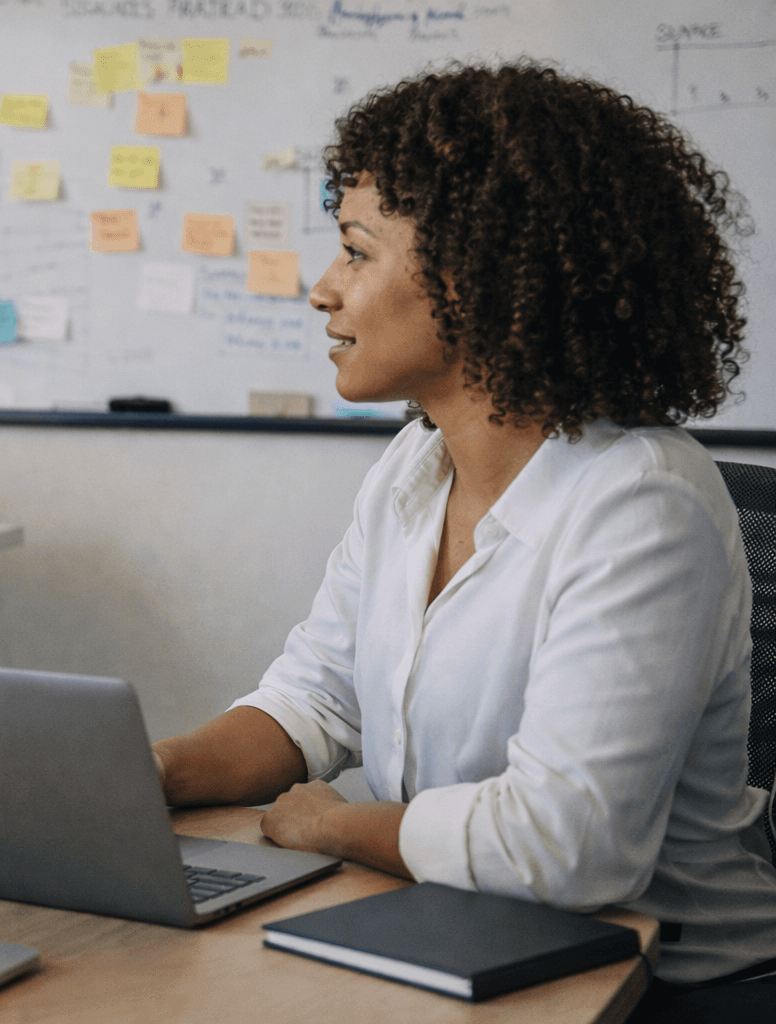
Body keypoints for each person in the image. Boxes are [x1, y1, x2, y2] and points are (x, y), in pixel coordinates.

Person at [150, 63, 776, 1012]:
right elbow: (314, 703)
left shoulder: (646, 505)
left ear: (478, 278)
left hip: (659, 986)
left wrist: (341, 826)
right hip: (454, 933)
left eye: (357, 252)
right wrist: (147, 773)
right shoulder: (413, 470)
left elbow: (566, 849)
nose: (322, 289)